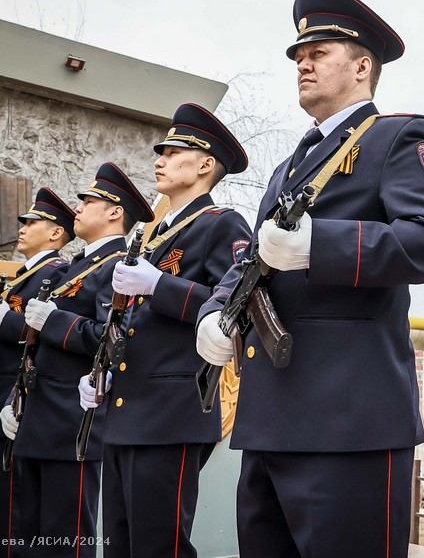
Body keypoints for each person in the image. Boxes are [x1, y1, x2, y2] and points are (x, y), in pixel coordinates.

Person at [196, 0, 424, 558]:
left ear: (363, 65)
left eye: (319, 53)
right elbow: (254, 258)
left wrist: (323, 244)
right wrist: (217, 310)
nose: (303, 63)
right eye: (298, 55)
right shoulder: (289, 167)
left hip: (348, 423)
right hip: (270, 422)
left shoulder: (398, 137)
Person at [78, 103, 252, 558]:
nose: (159, 159)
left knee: (159, 546)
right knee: (120, 544)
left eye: (174, 151)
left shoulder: (221, 225)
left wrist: (161, 285)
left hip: (171, 412)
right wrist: (105, 371)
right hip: (126, 409)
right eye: (161, 152)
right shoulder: (150, 239)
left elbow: (235, 306)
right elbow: (132, 326)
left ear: (204, 164)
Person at [0, 163, 153, 558]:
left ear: (115, 212)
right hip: (38, 415)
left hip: (72, 421)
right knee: (25, 535)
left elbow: (113, 340)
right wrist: (16, 399)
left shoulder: (119, 266)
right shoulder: (76, 266)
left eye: (89, 201)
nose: (78, 208)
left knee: (64, 537)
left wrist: (54, 320)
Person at [0, 187, 73, 558]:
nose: (23, 227)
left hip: (15, 406)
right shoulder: (23, 275)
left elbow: (46, 338)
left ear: (55, 233)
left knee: (9, 519)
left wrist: (6, 322)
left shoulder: (58, 274)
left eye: (33, 222)